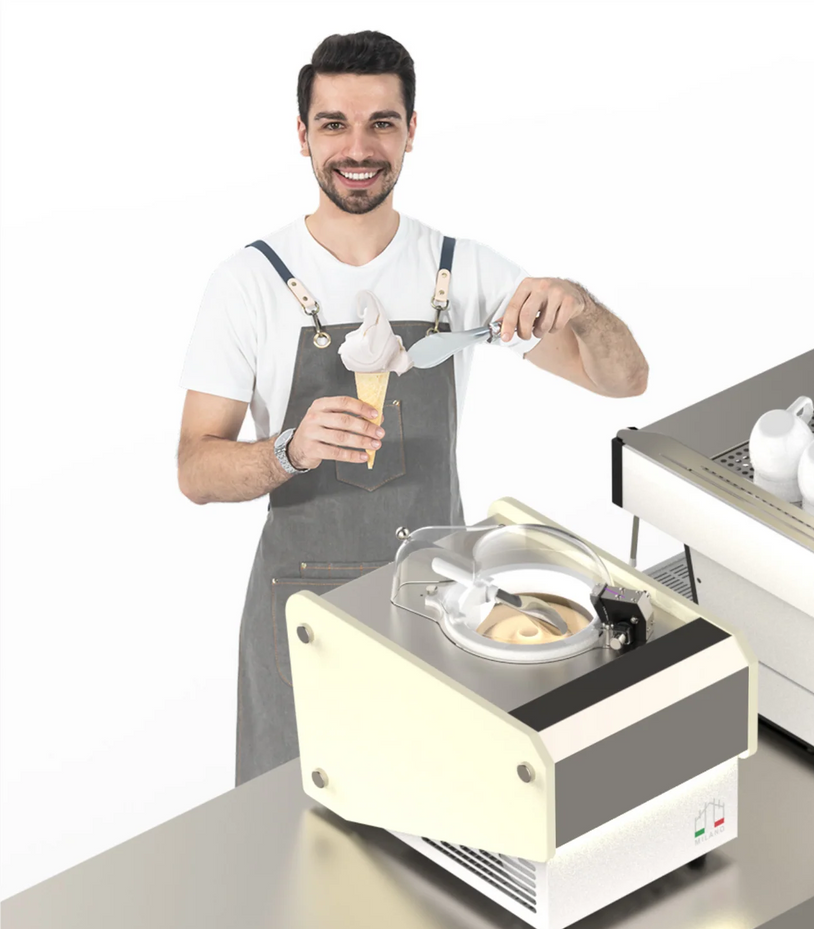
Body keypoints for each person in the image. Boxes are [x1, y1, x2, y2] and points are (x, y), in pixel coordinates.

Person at [177, 31, 649, 785]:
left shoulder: (459, 272)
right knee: (289, 836)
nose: (357, 147)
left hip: (437, 604)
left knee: (436, 817)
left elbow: (624, 381)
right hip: (297, 618)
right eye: (333, 123)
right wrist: (287, 450)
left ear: (412, 131)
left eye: (381, 123)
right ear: (302, 135)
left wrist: (580, 305)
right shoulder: (249, 283)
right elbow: (195, 469)